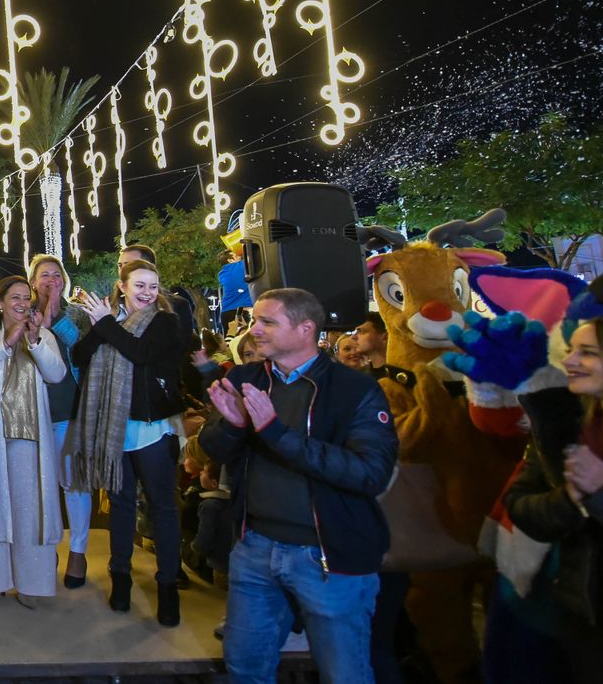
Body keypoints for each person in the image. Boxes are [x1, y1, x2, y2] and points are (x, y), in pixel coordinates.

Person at [201, 288, 399, 684]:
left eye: (267, 322)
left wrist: (276, 433)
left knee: (344, 673)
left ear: (306, 328)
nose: (253, 330)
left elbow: (369, 472)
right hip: (255, 547)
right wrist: (234, 427)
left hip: (329, 556)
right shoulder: (246, 378)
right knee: (244, 666)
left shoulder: (354, 390)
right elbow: (214, 449)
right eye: (255, 320)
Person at [67, 258, 187, 626]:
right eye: (139, 285)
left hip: (153, 431)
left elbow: (141, 353)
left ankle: (167, 586)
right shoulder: (111, 322)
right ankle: (121, 580)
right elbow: (79, 355)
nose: (147, 293)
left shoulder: (166, 322)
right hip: (115, 431)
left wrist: (106, 325)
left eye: (153, 286)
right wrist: (101, 327)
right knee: (119, 507)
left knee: (162, 508)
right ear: (123, 287)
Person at [502, 288, 603, 674]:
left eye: (588, 353)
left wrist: (597, 493)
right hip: (581, 612)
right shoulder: (562, 422)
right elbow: (521, 504)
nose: (571, 361)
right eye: (572, 349)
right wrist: (572, 497)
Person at [0, 276, 66, 607]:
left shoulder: (42, 334)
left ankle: (32, 584)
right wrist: (6, 342)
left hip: (30, 439)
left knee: (29, 511)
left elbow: (57, 374)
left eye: (26, 299)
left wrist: (32, 342)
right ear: (0, 302)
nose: (22, 303)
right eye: (15, 297)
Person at [29, 254, 95, 589]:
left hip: (70, 408)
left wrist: (55, 316)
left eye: (57, 274)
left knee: (74, 483)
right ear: (32, 280)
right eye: (44, 275)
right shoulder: (22, 311)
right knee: (42, 487)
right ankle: (47, 547)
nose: (51, 280)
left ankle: (79, 551)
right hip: (33, 411)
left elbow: (84, 350)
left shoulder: (78, 314)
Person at [354, 312, 417, 389]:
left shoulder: (403, 375)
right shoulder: (360, 376)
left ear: (385, 337)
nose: (353, 337)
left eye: (360, 331)